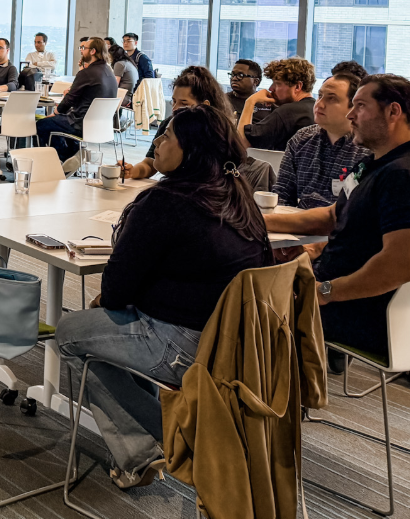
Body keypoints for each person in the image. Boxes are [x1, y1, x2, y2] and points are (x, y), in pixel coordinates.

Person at [57, 104, 273, 490]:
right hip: (236, 344)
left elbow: (117, 290)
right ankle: (141, 450)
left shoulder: (166, 202)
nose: (157, 141)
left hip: (180, 343)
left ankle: (158, 441)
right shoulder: (237, 196)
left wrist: (111, 300)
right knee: (101, 339)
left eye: (168, 135)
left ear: (189, 149)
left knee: (70, 333)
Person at [263, 75, 410, 360]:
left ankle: (259, 398)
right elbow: (334, 215)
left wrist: (325, 291)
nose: (351, 115)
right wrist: (259, 221)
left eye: (360, 106)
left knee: (241, 300)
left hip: (366, 313)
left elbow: (402, 265)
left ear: (393, 112)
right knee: (249, 282)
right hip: (349, 297)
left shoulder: (407, 177)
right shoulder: (378, 163)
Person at [123, 66, 275, 195]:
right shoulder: (170, 124)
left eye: (184, 103)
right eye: (174, 101)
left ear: (204, 106)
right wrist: (132, 171)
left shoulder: (218, 135)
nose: (175, 109)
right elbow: (150, 164)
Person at [275, 73, 370, 209]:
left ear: (354, 107)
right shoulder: (302, 139)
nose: (319, 104)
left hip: (343, 227)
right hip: (297, 224)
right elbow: (282, 194)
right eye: (319, 96)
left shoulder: (368, 149)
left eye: (331, 99)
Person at [37, 37, 119, 162]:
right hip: (102, 126)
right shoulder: (109, 71)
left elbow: (70, 100)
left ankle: (62, 158)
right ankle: (73, 156)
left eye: (83, 48)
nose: (81, 51)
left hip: (81, 124)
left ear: (92, 51)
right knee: (59, 122)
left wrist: (55, 113)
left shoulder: (87, 73)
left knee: (42, 124)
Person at [237, 57, 316, 151]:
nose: (271, 88)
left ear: (298, 86)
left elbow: (242, 143)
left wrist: (250, 102)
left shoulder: (287, 112)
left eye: (277, 84)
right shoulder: (316, 109)